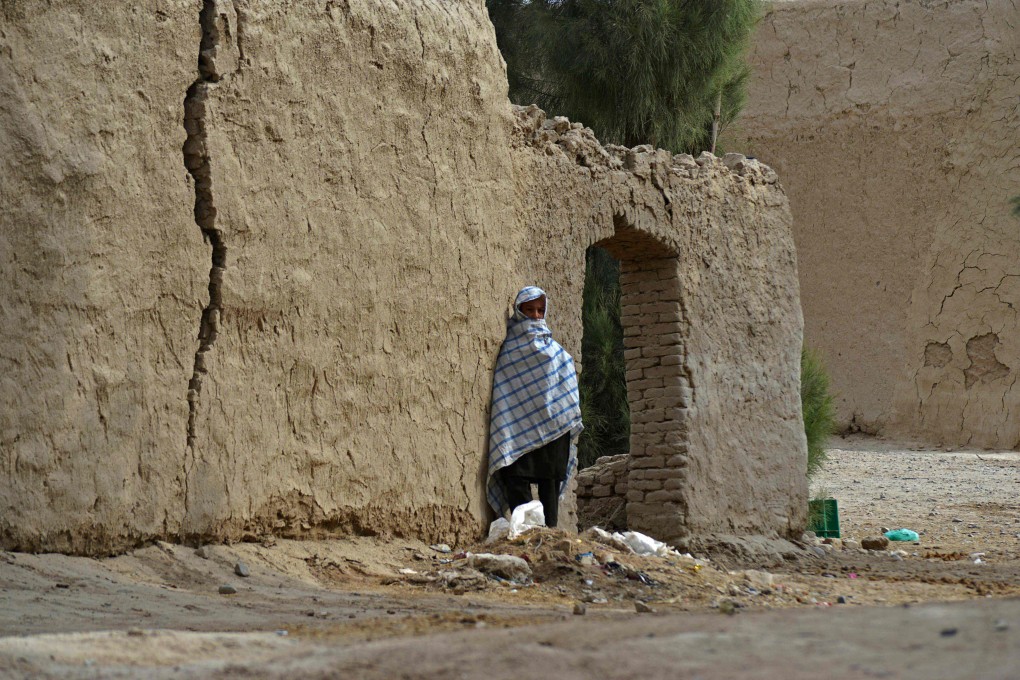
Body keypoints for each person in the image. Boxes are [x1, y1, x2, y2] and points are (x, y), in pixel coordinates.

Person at [486, 286, 584, 528]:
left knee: (548, 482)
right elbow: (505, 393)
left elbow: (567, 387)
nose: (536, 316)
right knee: (515, 477)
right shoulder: (509, 350)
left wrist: (561, 415)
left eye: (541, 310)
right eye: (530, 310)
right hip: (517, 428)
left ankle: (549, 532)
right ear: (519, 312)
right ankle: (526, 529)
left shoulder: (557, 352)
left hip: (553, 429)